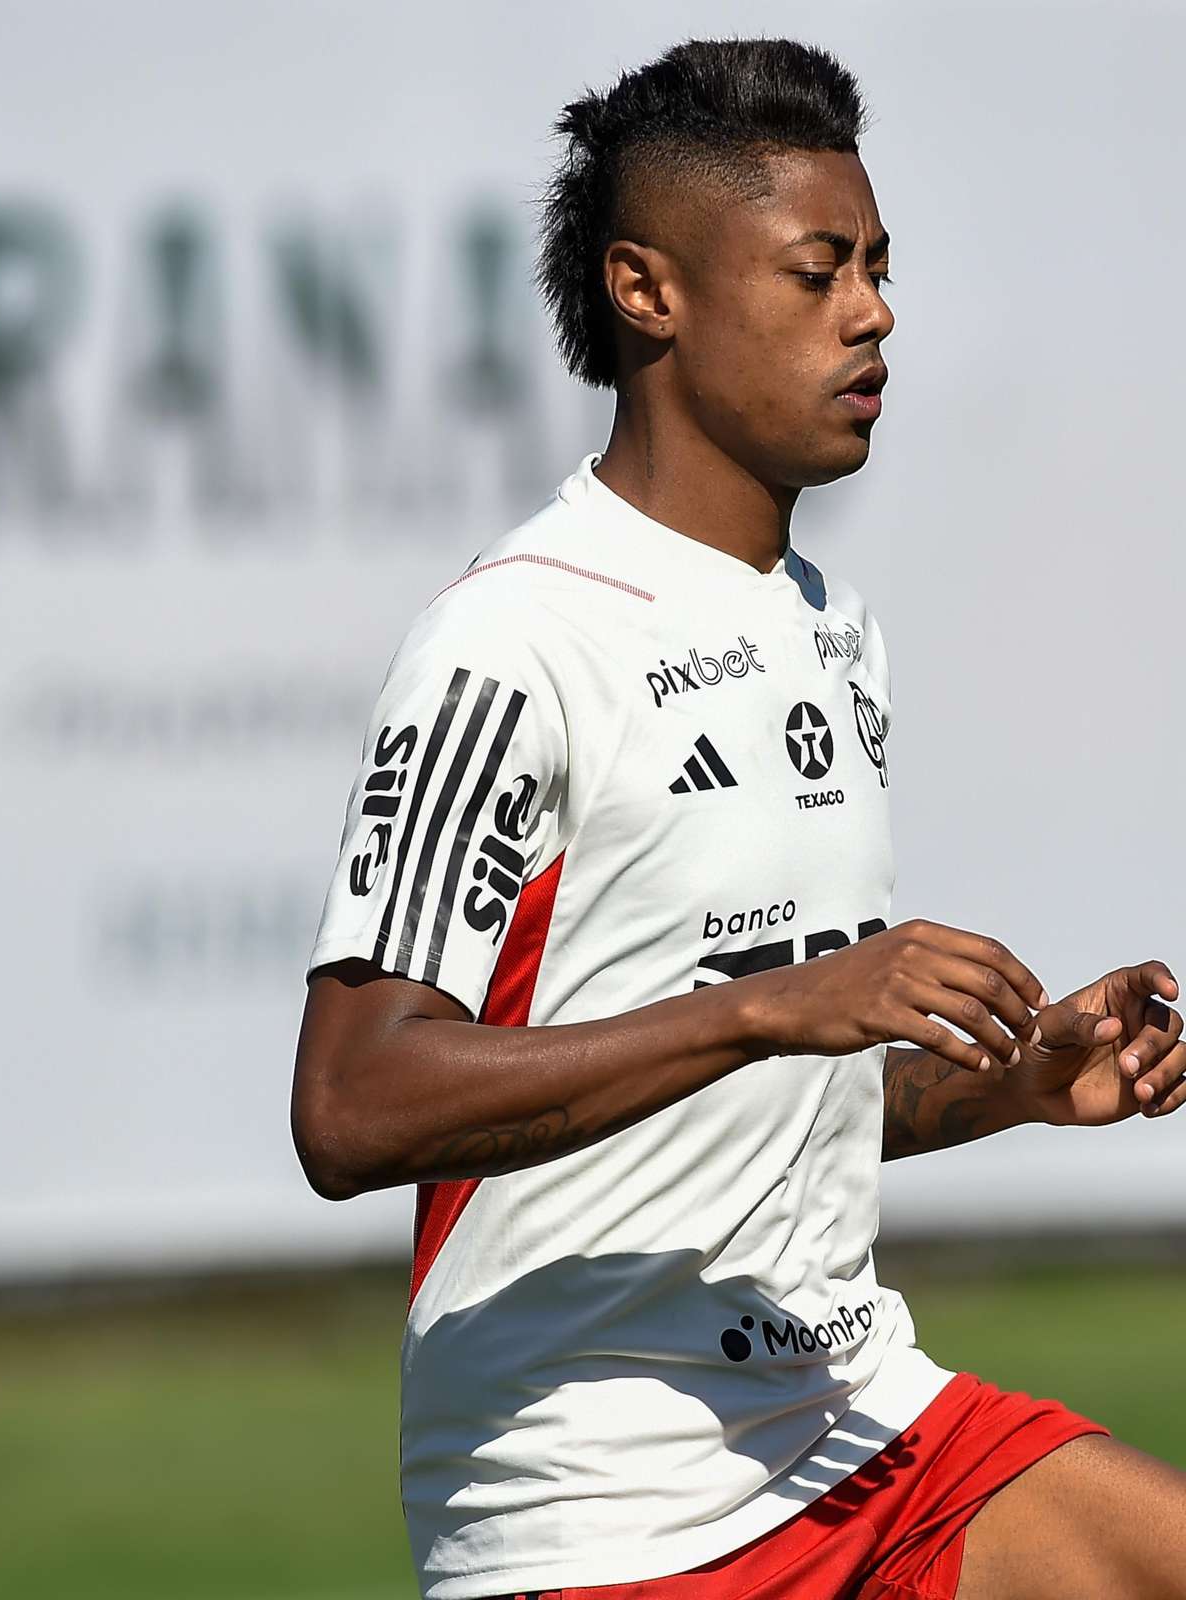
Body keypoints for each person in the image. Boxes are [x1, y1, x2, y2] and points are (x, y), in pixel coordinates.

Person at [291, 37, 1186, 1600]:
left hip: (854, 1422)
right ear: (650, 291)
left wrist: (1013, 1084)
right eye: (820, 272)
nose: (875, 313)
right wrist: (777, 1007)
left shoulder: (833, 624)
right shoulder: (515, 639)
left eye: (882, 269)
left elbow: (772, 1112)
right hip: (607, 1506)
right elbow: (352, 1108)